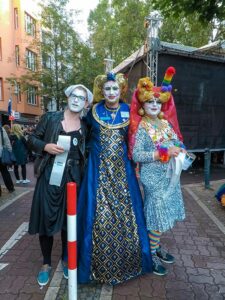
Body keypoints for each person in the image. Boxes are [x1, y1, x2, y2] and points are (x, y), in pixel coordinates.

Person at [77, 72, 152, 285]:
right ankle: (95, 265)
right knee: (96, 213)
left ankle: (128, 262)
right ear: (103, 91)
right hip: (97, 171)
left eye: (115, 89)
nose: (111, 93)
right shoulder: (92, 112)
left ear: (121, 91)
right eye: (107, 89)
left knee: (126, 213)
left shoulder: (131, 112)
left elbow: (142, 137)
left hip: (123, 172)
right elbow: (82, 133)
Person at [28, 84, 93, 286]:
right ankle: (46, 264)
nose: (76, 100)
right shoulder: (51, 118)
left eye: (81, 98)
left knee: (68, 222)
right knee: (46, 221)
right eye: (74, 96)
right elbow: (31, 139)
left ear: (86, 103)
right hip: (50, 175)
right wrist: (45, 146)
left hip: (74, 178)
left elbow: (89, 149)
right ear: (67, 97)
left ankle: (66, 259)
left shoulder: (85, 125)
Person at [129, 67, 186, 276]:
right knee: (156, 216)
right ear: (142, 104)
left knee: (162, 218)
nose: (154, 105)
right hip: (152, 178)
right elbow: (137, 155)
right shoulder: (141, 126)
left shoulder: (165, 123)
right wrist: (164, 151)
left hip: (170, 175)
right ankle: (151, 254)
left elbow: (176, 140)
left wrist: (179, 148)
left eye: (157, 102)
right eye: (150, 102)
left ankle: (155, 247)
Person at [0, 125, 15, 195]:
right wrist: (10, 152)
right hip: (1, 155)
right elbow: (7, 142)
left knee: (5, 171)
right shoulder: (1, 129)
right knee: (4, 171)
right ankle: (11, 188)